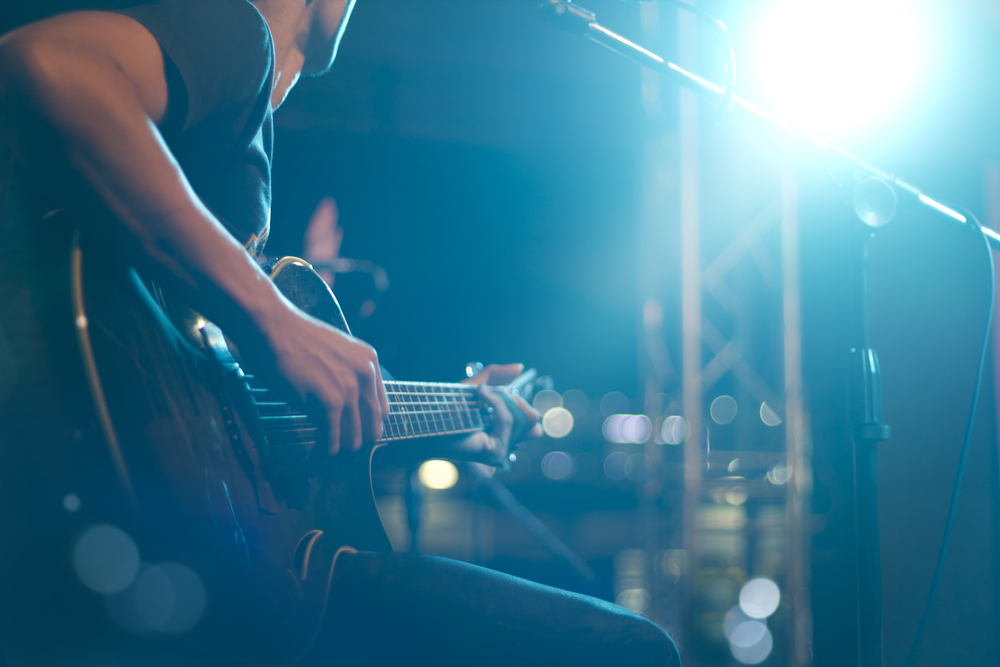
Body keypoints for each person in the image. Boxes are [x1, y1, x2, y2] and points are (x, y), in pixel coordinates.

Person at [0, 1, 681, 664]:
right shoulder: (237, 32)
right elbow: (46, 63)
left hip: (157, 555)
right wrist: (274, 321)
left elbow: (231, 424)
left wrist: (450, 417)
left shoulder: (237, 124)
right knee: (635, 648)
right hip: (91, 500)